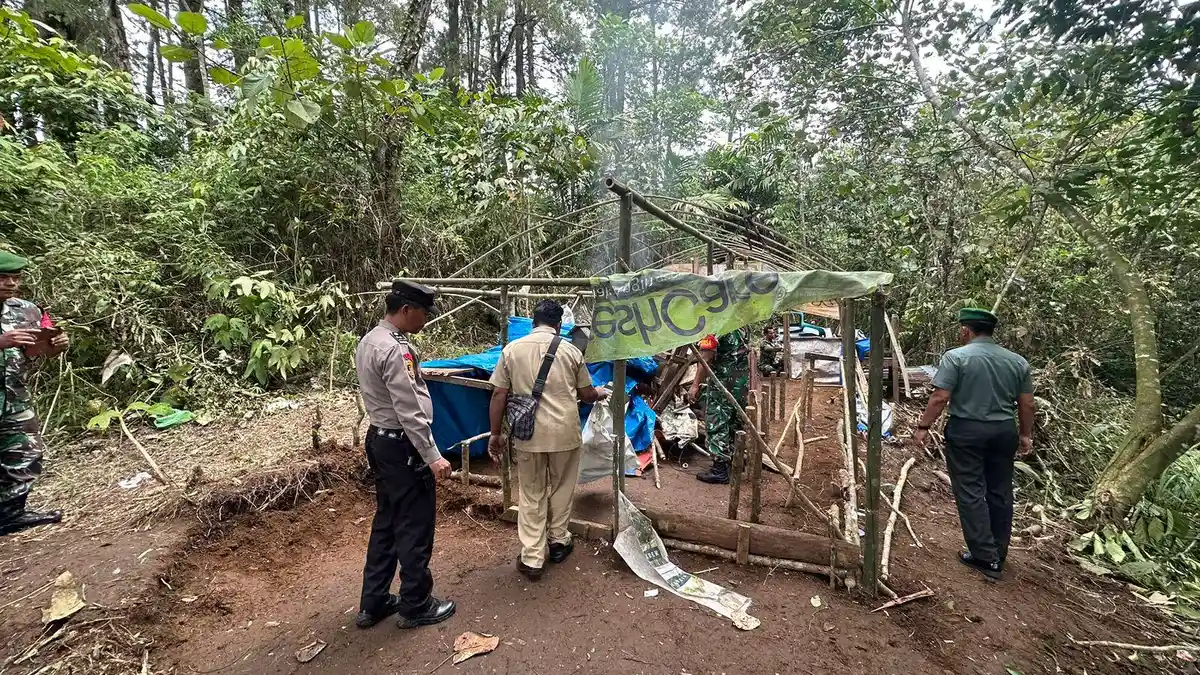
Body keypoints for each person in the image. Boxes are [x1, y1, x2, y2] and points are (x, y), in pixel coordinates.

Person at [354, 280, 456, 630]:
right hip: (403, 444)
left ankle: (375, 600)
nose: (424, 321)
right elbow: (409, 408)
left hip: (379, 440)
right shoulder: (398, 350)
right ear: (406, 310)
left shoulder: (369, 340)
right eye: (423, 314)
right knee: (414, 523)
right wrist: (432, 455)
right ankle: (416, 603)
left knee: (387, 519)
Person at [487, 300, 608, 581]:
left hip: (528, 435)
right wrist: (599, 393)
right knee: (563, 489)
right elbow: (587, 394)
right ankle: (558, 542)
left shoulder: (512, 350)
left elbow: (498, 395)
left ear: (533, 322)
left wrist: (496, 434)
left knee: (532, 494)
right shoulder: (570, 351)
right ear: (558, 326)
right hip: (565, 433)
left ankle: (531, 558)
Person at [913, 308, 1035, 580]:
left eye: (961, 329)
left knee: (970, 490)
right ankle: (998, 552)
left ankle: (985, 557)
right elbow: (1027, 403)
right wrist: (1025, 434)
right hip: (1004, 432)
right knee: (1000, 492)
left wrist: (923, 426)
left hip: (967, 430)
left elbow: (940, 397)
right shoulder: (1017, 362)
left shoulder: (956, 357)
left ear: (966, 330)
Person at [0, 251, 68, 537]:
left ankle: (10, 514)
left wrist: (55, 345)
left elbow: (34, 350)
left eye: (16, 278)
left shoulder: (27, 310)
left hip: (14, 394)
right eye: (4, 278)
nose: (11, 284)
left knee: (25, 452)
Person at [687, 328, 750, 484]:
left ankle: (720, 469)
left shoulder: (714, 327)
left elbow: (706, 358)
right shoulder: (737, 323)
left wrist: (695, 385)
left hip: (724, 380)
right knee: (734, 419)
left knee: (717, 419)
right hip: (740, 379)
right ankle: (736, 461)